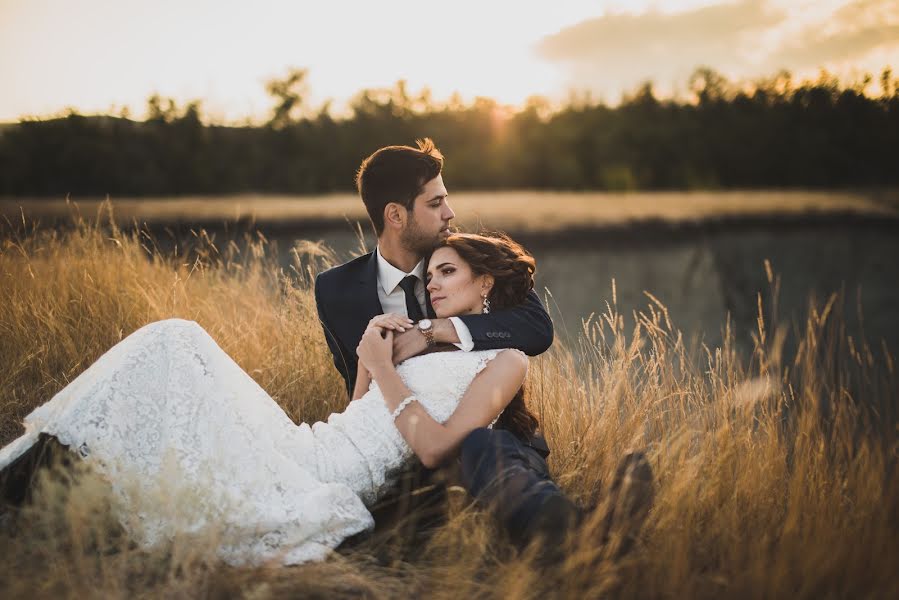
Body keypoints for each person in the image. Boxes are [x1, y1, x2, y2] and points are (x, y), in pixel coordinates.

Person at [0, 232, 556, 566]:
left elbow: (435, 449)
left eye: (447, 272)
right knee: (174, 341)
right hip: (308, 444)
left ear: (485, 283)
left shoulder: (505, 359)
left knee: (177, 342)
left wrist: (386, 369)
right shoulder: (418, 336)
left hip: (329, 475)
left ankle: (35, 474)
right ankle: (39, 462)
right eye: (430, 273)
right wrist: (370, 357)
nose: (431, 284)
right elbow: (353, 415)